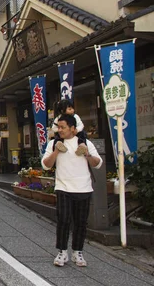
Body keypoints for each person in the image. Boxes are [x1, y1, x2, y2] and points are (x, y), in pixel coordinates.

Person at [42, 114, 102, 268]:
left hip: (83, 188)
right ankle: (62, 252)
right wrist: (56, 151)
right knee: (63, 220)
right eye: (58, 127)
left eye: (63, 127)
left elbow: (97, 164)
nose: (60, 130)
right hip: (63, 188)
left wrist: (86, 153)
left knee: (81, 223)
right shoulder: (54, 143)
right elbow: (46, 165)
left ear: (73, 129)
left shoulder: (85, 143)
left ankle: (78, 252)